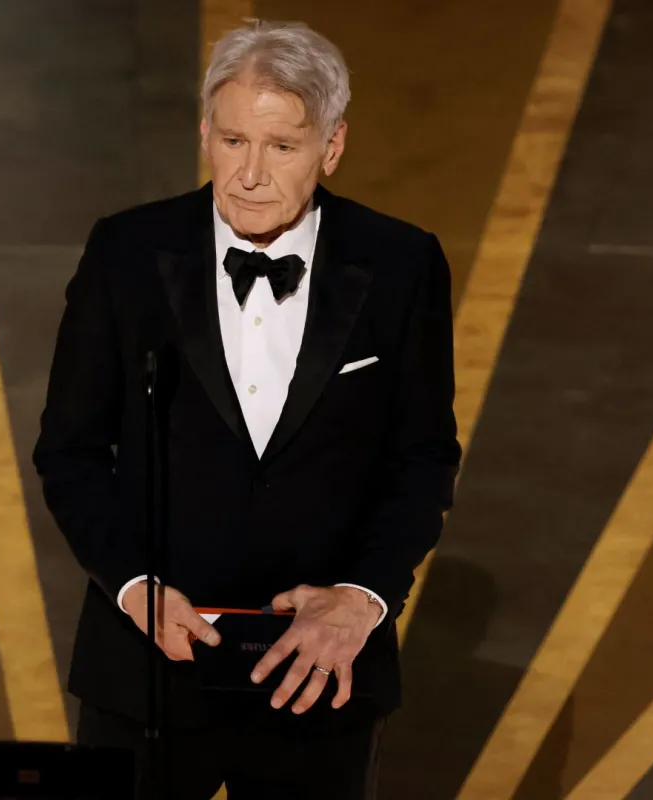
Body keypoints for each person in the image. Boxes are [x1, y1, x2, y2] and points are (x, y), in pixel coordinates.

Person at [33, 19, 461, 799]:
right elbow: (70, 450)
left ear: (331, 146)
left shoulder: (400, 264)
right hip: (149, 677)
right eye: (232, 141)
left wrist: (360, 602)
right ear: (204, 133)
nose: (250, 174)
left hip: (319, 675)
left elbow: (422, 458)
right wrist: (134, 585)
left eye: (282, 147)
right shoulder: (126, 253)